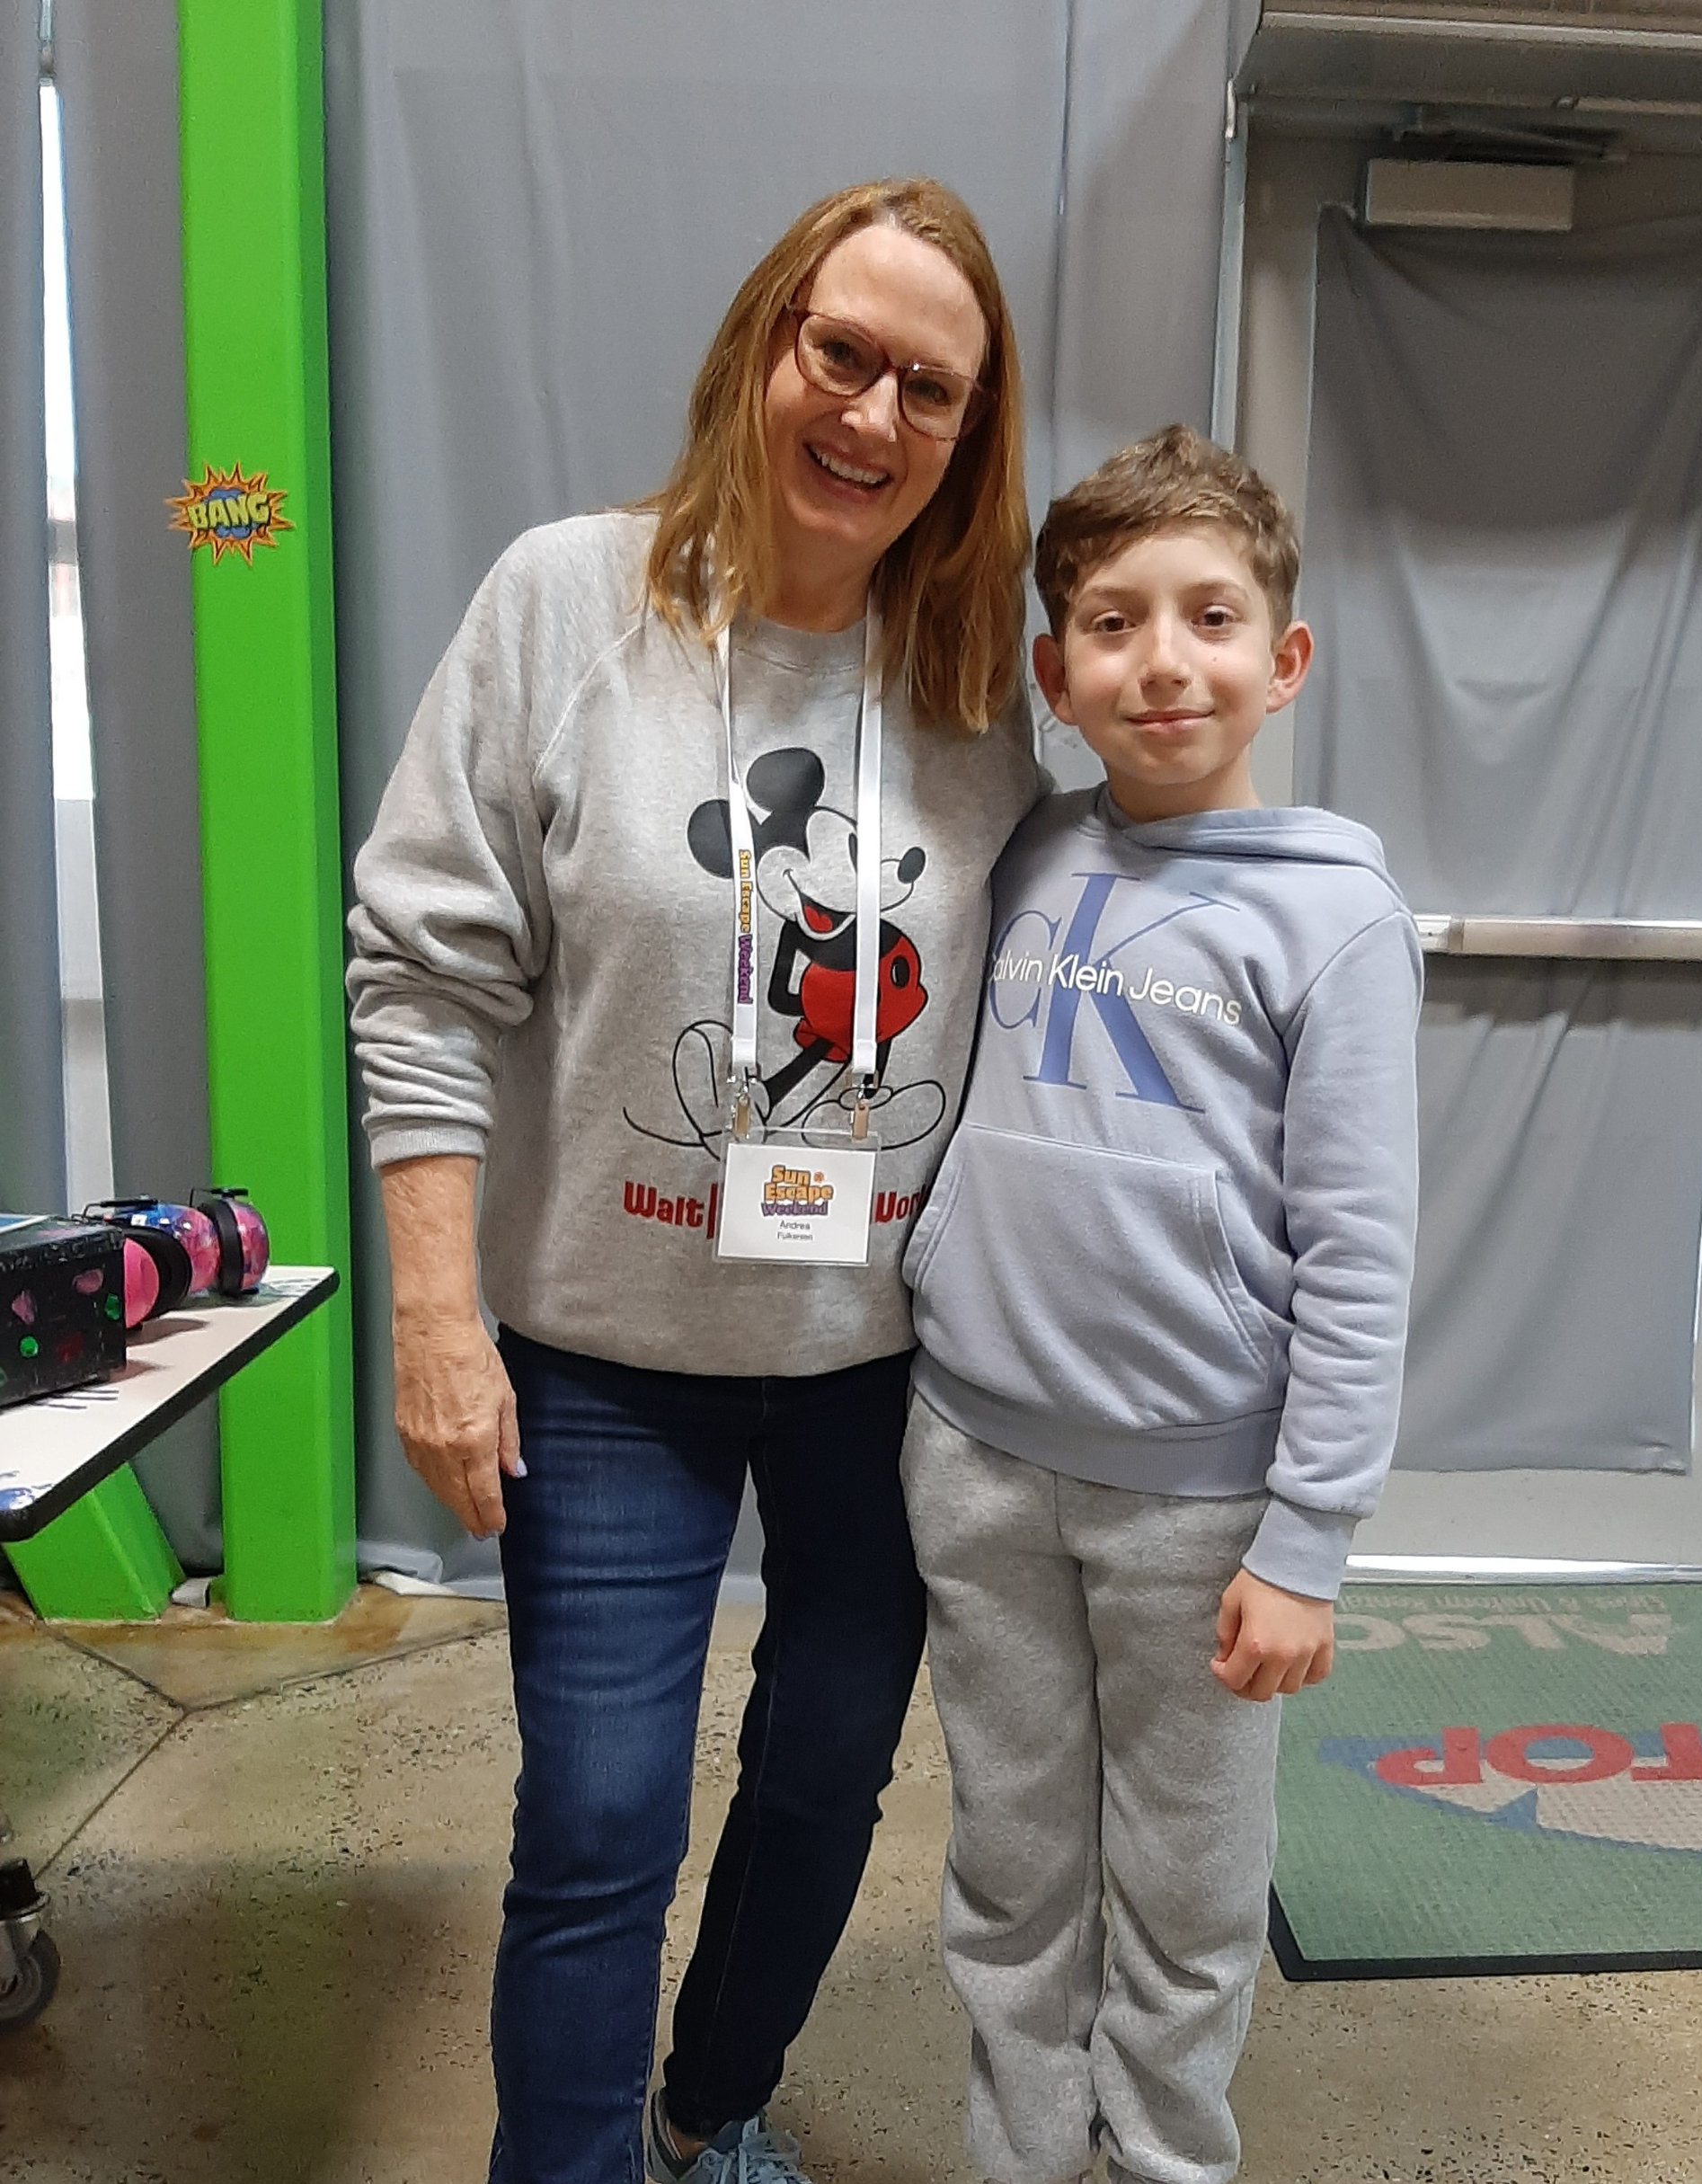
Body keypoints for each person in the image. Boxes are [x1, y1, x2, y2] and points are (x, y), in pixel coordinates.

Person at [345, 178, 1042, 2184]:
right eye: (844, 353)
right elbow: (423, 967)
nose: (873, 414)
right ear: (763, 346)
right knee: (596, 1823)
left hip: (882, 1371)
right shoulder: (568, 601)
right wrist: (436, 1319)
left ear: (967, 434)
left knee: (825, 1778)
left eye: (930, 387)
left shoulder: (974, 682)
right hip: (604, 1358)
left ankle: (705, 2109)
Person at [899, 424, 1423, 2184]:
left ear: (1285, 658)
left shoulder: (1334, 923)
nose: (1162, 660)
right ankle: (1023, 2156)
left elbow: (1359, 1250)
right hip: (975, 1464)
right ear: (1055, 677)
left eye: (1210, 616)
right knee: (1011, 1869)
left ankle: (1162, 2163)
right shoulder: (1022, 854)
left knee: (1188, 1895)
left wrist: (1309, 1538)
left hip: (1200, 1510)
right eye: (1113, 623)